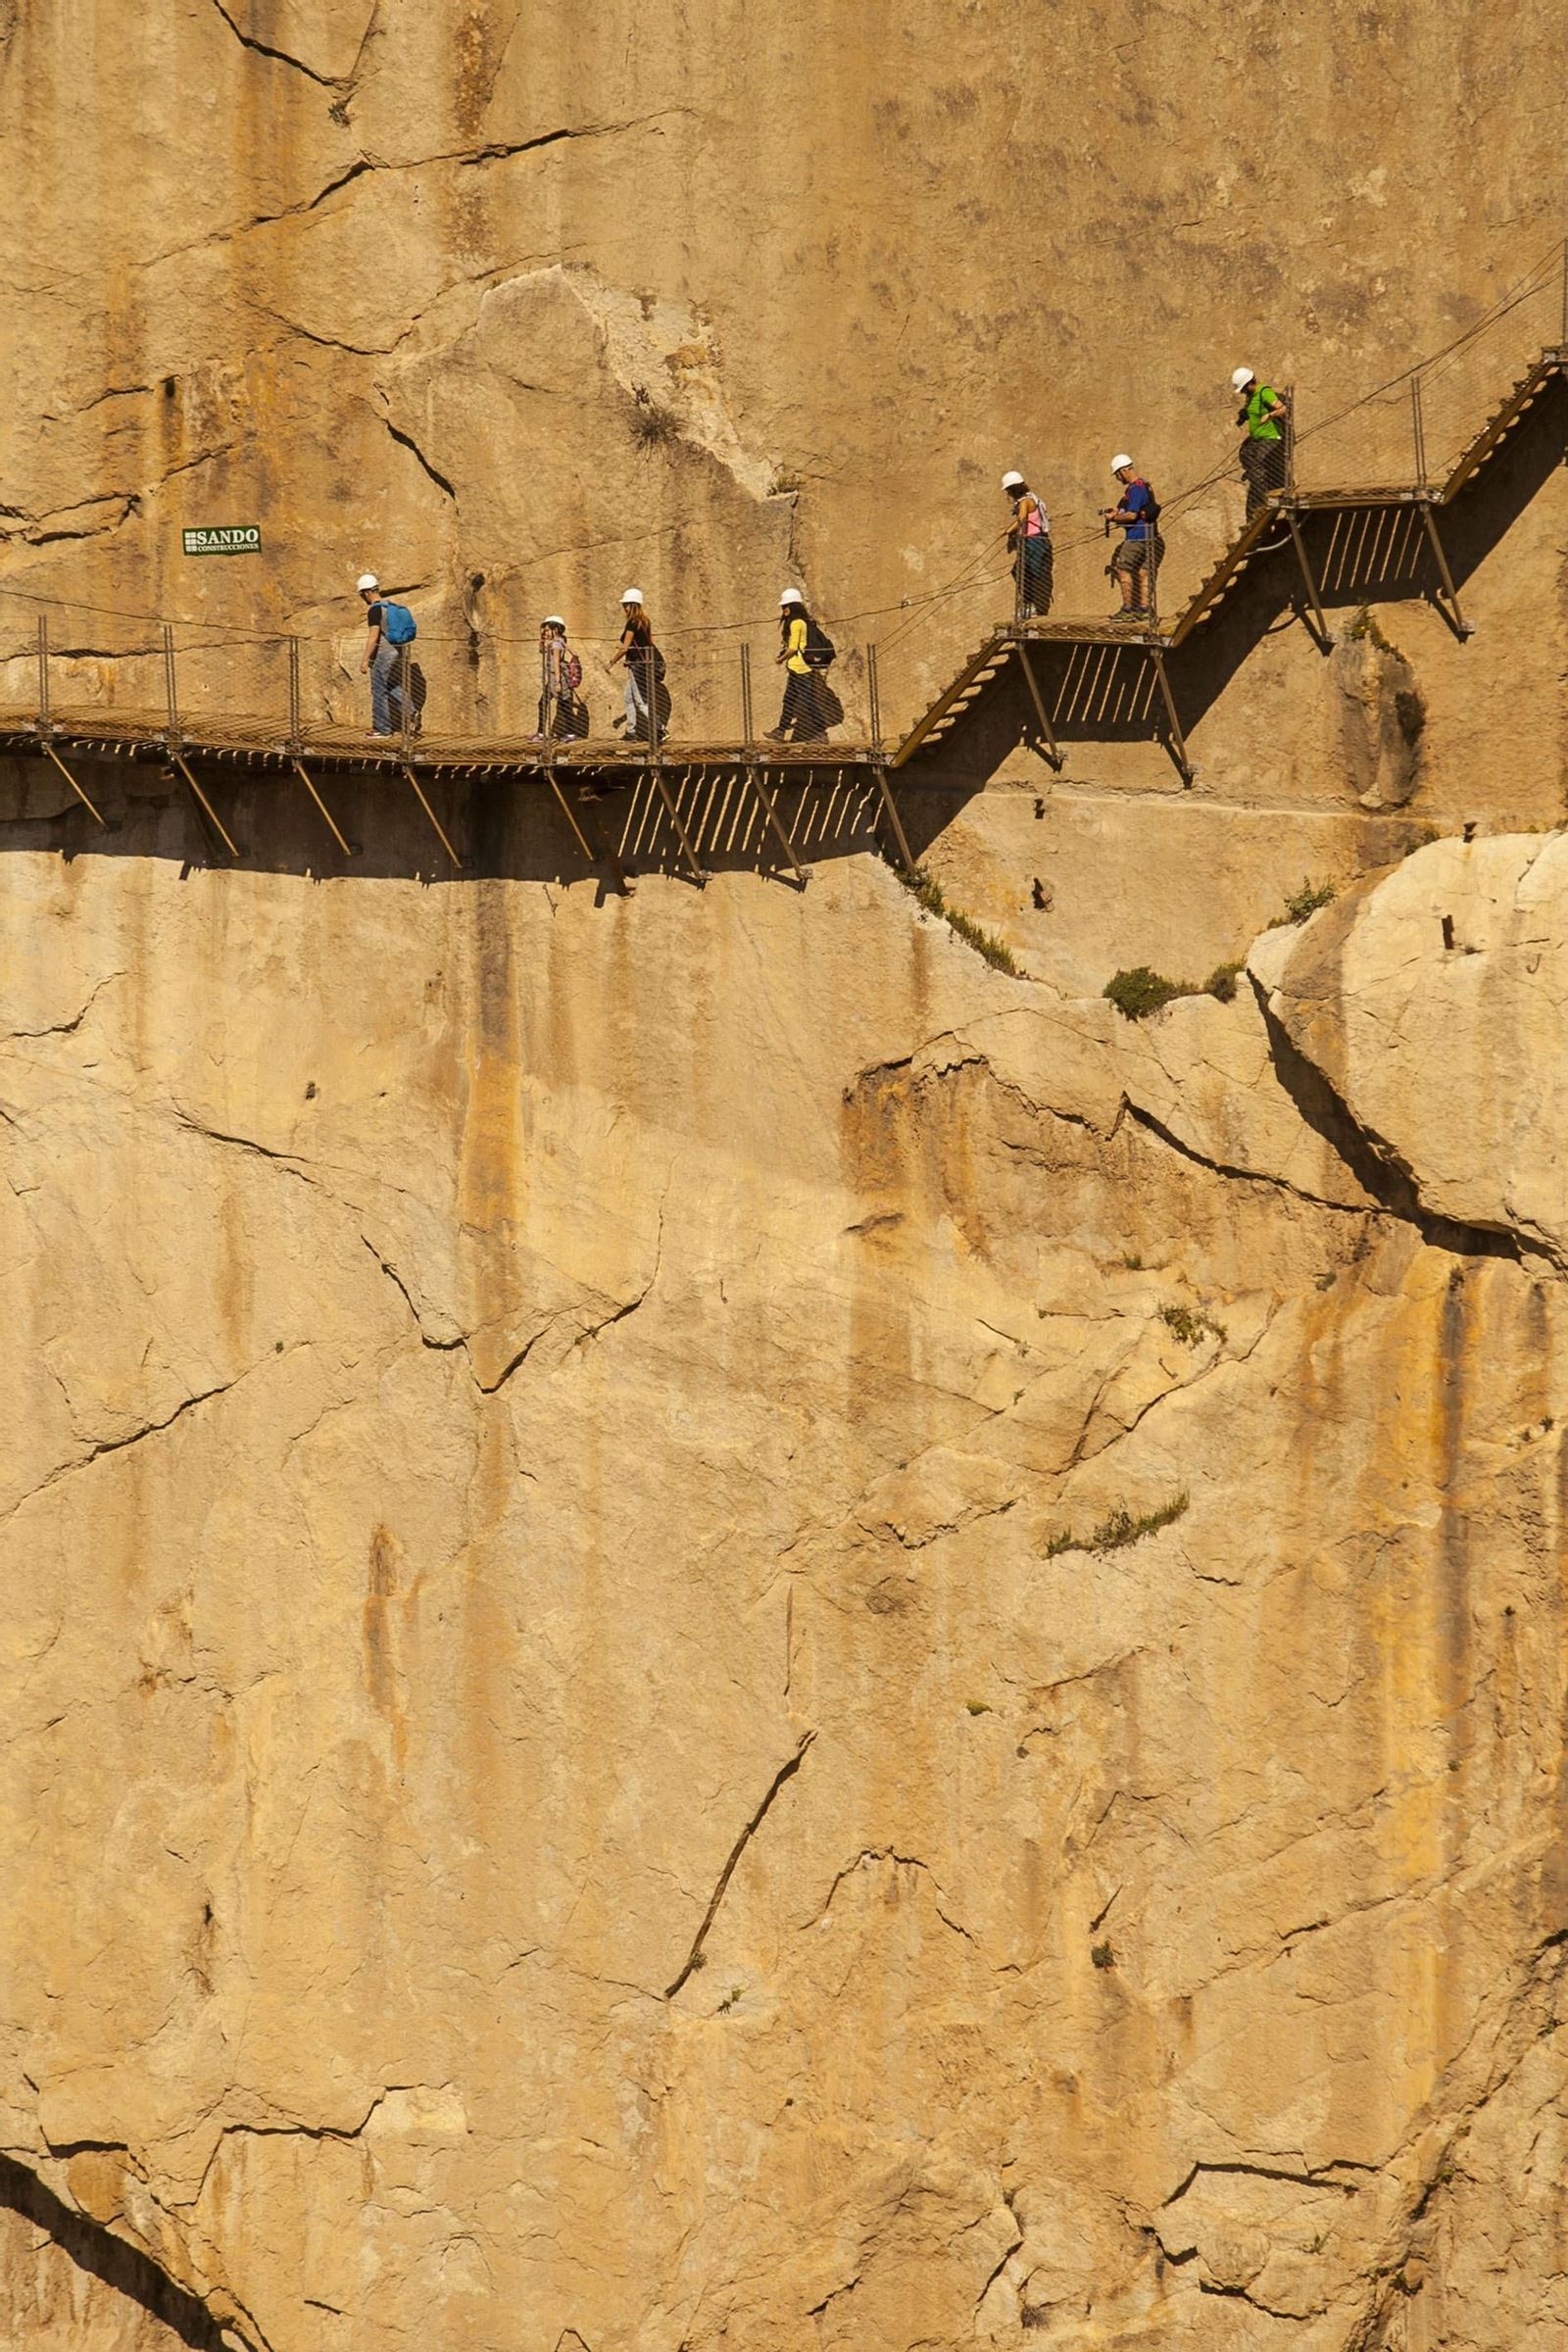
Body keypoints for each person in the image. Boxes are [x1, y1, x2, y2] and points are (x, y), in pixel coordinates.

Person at [1102, 456, 1163, 620]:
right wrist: (1117, 510)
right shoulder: (1144, 485)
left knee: (1123, 569)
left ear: (1124, 471)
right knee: (1144, 572)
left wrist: (1112, 519)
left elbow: (1131, 515)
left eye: (1117, 474)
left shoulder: (1135, 489)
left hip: (1137, 536)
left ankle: (1127, 609)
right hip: (1151, 536)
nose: (1117, 478)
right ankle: (1144, 608)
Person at [767, 588, 830, 740]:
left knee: (809, 701)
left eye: (785, 606)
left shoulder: (796, 623)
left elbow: (794, 648)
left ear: (792, 606)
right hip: (796, 669)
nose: (783, 610)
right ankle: (780, 731)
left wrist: (780, 659)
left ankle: (821, 733)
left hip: (801, 670)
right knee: (789, 700)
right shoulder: (801, 622)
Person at [1232, 368, 1290, 517]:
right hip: (1258, 439)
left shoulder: (1265, 392)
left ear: (1251, 383)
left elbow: (1284, 409)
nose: (1244, 392)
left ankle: (1263, 499)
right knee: (1249, 458)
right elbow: (1252, 410)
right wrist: (1244, 416)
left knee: (1257, 465)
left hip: (1271, 437)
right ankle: (1259, 496)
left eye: (1245, 389)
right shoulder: (1251, 397)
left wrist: (1270, 415)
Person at [608, 589, 660, 743]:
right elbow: (646, 643)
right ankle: (631, 731)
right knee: (628, 697)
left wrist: (612, 662)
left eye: (626, 605)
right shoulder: (645, 622)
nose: (624, 608)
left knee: (640, 701)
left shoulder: (632, 622)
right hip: (643, 664)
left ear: (632, 605)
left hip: (636, 666)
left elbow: (625, 647)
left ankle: (660, 728)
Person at [1002, 469, 1053, 618]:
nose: (1008, 495)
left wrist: (1007, 531)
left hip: (1033, 542)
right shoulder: (1032, 498)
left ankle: (1033, 606)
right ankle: (1029, 605)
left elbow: (1021, 519)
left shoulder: (1025, 502)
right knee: (1024, 571)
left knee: (1030, 573)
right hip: (1034, 541)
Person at [358, 572, 403, 737]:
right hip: (397, 651)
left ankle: (382, 729)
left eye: (362, 595)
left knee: (378, 690)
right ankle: (410, 710)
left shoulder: (375, 610)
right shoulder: (390, 606)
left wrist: (365, 660)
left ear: (366, 593)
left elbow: (374, 637)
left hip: (384, 654)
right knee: (390, 684)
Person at [534, 615, 587, 740]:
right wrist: (542, 639)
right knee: (544, 703)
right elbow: (541, 651)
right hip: (553, 679)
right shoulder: (560, 641)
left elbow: (557, 663)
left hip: (557, 679)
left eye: (547, 630)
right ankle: (541, 732)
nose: (545, 633)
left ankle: (570, 733)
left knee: (564, 706)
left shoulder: (556, 645)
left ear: (555, 629)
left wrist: (558, 683)